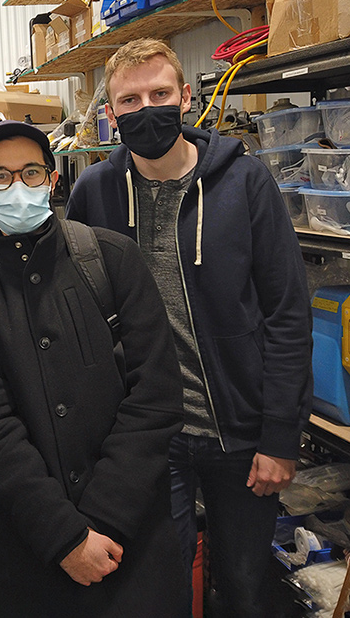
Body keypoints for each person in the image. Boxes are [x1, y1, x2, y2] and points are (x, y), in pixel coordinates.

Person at [65, 38, 313, 616]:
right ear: (111, 112)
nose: (146, 108)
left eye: (159, 93)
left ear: (185, 98)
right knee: (158, 589)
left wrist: (281, 436)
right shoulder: (93, 192)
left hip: (241, 432)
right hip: (148, 436)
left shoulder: (245, 182)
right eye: (129, 100)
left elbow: (286, 313)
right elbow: (76, 308)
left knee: (247, 587)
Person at [0, 120, 187, 616]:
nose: (17, 187)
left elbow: (156, 395)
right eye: (1, 177)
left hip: (129, 538)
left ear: (53, 180)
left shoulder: (113, 259)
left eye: (31, 173)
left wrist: (102, 520)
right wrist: (64, 536)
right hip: (27, 544)